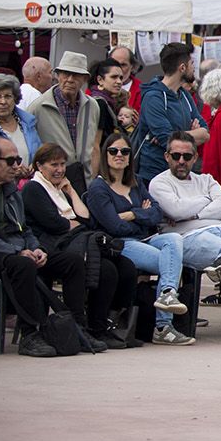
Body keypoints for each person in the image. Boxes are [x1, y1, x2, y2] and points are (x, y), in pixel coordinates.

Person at [0, 137, 90, 356]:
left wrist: (37, 248)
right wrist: (16, 251)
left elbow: (24, 229)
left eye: (18, 159)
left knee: (71, 261)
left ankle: (78, 328)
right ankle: (30, 335)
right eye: (11, 161)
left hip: (15, 250)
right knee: (22, 264)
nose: (17, 165)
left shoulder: (11, 190)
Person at [149, 131, 221, 344]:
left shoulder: (205, 179)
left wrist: (192, 212)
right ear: (167, 156)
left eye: (187, 157)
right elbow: (175, 211)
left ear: (195, 157)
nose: (181, 161)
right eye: (176, 156)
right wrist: (205, 201)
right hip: (187, 238)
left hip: (220, 232)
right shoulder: (159, 183)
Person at [86, 131, 192, 345]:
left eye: (125, 151)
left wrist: (133, 214)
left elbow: (156, 212)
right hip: (120, 244)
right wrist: (142, 215)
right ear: (105, 155)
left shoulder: (137, 182)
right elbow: (114, 226)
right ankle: (164, 326)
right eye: (113, 151)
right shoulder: (99, 188)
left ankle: (168, 294)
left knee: (174, 240)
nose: (119, 155)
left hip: (146, 237)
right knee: (168, 262)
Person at [23, 142, 133, 349]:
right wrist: (72, 223)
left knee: (122, 266)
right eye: (54, 165)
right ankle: (82, 328)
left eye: (63, 164)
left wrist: (72, 192)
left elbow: (86, 220)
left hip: (74, 243)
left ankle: (103, 327)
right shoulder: (33, 188)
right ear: (39, 166)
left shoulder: (60, 190)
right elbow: (55, 224)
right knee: (94, 268)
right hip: (51, 247)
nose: (60, 169)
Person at [30, 51, 105, 185]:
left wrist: (92, 179)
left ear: (84, 79)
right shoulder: (38, 107)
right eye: (65, 74)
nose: (70, 79)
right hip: (51, 181)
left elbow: (94, 146)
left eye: (76, 75)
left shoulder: (92, 106)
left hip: (84, 180)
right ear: (57, 76)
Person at [136, 42, 208, 182]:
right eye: (191, 63)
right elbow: (167, 140)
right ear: (182, 68)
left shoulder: (184, 95)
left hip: (183, 174)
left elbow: (205, 133)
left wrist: (176, 135)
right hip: (155, 175)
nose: (194, 68)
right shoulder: (153, 98)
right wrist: (192, 134)